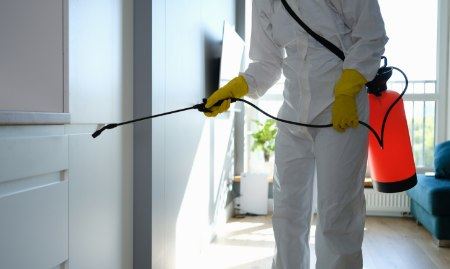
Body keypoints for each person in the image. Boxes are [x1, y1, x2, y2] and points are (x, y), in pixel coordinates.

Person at [204, 0, 388, 268]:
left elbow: (371, 35)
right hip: (292, 114)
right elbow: (267, 62)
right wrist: (236, 88)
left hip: (340, 110)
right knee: (287, 213)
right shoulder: (264, 2)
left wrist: (348, 88)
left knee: (337, 215)